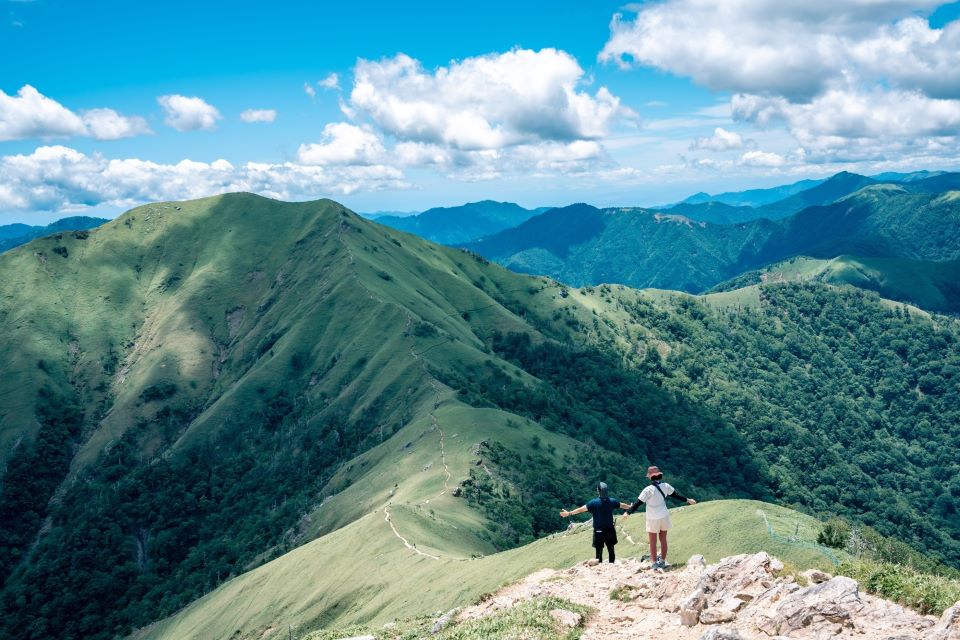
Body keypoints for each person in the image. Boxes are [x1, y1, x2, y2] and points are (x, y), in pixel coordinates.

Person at [622, 466, 696, 569]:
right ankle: (662, 561)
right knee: (663, 540)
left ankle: (654, 563)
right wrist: (688, 500)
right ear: (659, 475)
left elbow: (638, 503)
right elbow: (676, 495)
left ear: (650, 477)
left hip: (652, 518)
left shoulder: (648, 490)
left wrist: (628, 512)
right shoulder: (666, 486)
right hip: (664, 516)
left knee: (653, 541)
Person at [560, 482, 632, 563]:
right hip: (610, 530)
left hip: (598, 531)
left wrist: (569, 513)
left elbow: (580, 509)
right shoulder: (612, 501)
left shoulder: (593, 503)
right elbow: (622, 505)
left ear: (598, 491)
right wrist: (630, 507)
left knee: (598, 552)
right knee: (611, 550)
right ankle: (612, 566)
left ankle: (599, 568)